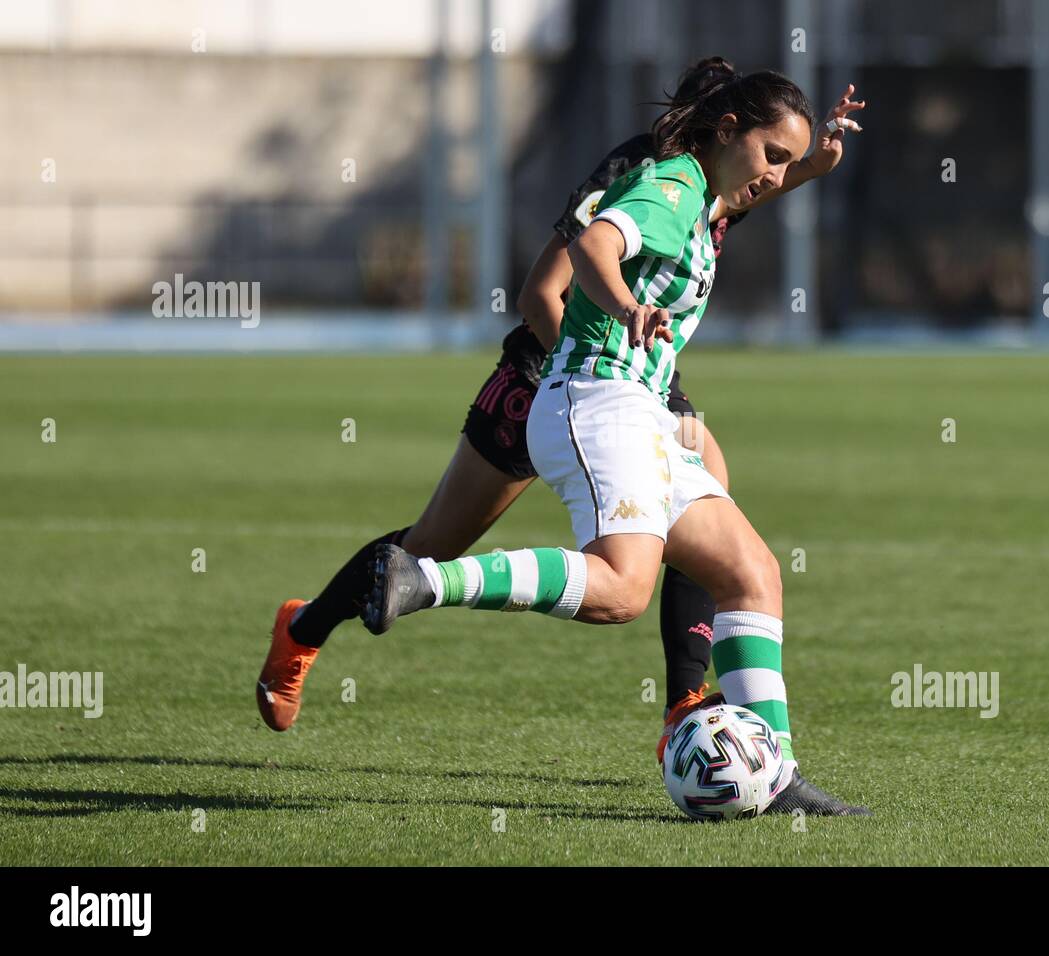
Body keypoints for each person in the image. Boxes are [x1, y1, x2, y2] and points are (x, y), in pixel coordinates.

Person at [255, 59, 865, 771]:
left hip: (630, 375)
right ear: (714, 125)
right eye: (765, 149)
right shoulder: (648, 177)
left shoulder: (715, 189)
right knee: (434, 545)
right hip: (551, 372)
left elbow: (765, 182)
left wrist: (817, 164)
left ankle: (683, 702)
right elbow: (544, 294)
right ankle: (303, 629)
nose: (768, 171)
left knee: (713, 496)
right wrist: (608, 372)